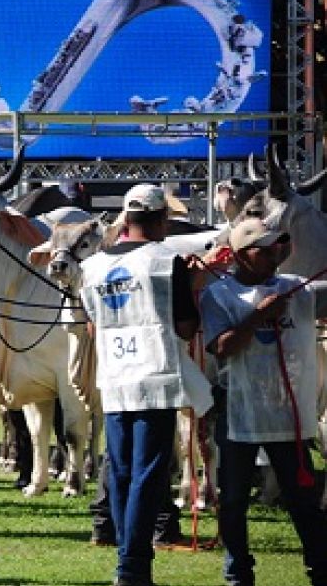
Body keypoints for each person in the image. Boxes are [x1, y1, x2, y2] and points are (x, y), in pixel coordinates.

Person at [77, 184, 212, 586]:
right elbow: (185, 328)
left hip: (115, 377)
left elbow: (92, 326)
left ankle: (127, 557)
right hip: (155, 376)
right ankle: (132, 566)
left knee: (120, 471)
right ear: (161, 219)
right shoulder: (165, 262)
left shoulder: (92, 267)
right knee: (147, 474)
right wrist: (194, 285)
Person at [199, 218, 327, 586]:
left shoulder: (296, 289)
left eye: (277, 247)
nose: (275, 254)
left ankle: (320, 567)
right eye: (265, 249)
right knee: (234, 499)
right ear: (241, 255)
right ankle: (238, 572)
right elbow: (222, 347)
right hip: (238, 410)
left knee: (303, 498)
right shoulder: (218, 295)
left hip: (287, 414)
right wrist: (258, 316)